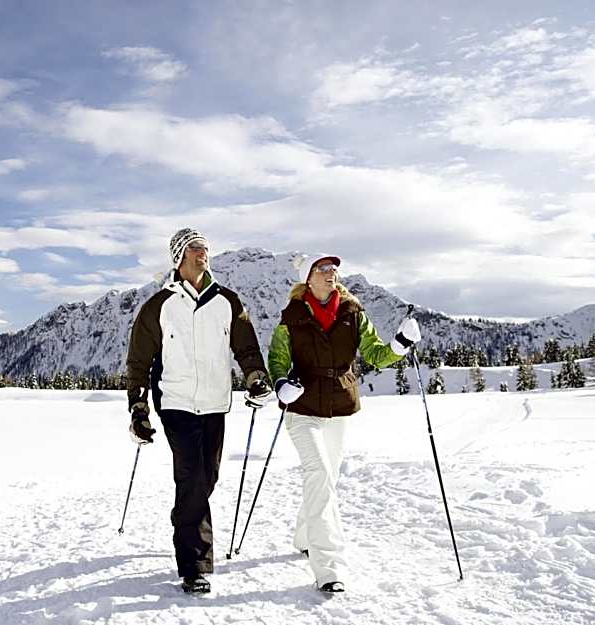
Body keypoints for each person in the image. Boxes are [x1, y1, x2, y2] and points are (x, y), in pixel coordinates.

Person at [125, 228, 272, 594]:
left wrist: (255, 377)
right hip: (174, 402)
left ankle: (183, 517)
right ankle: (194, 565)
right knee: (191, 477)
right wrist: (138, 408)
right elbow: (139, 362)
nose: (202, 252)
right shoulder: (159, 305)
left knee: (206, 478)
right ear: (179, 257)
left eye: (205, 247)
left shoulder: (228, 302)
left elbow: (247, 348)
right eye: (194, 247)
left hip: (214, 403)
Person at [267, 253, 421, 593]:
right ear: (308, 278)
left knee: (326, 479)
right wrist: (281, 384)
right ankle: (329, 567)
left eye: (333, 269)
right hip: (303, 408)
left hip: (339, 407)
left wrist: (401, 343)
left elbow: (377, 355)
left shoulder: (353, 313)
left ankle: (303, 536)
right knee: (319, 474)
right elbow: (277, 359)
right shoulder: (291, 317)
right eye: (322, 269)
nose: (330, 273)